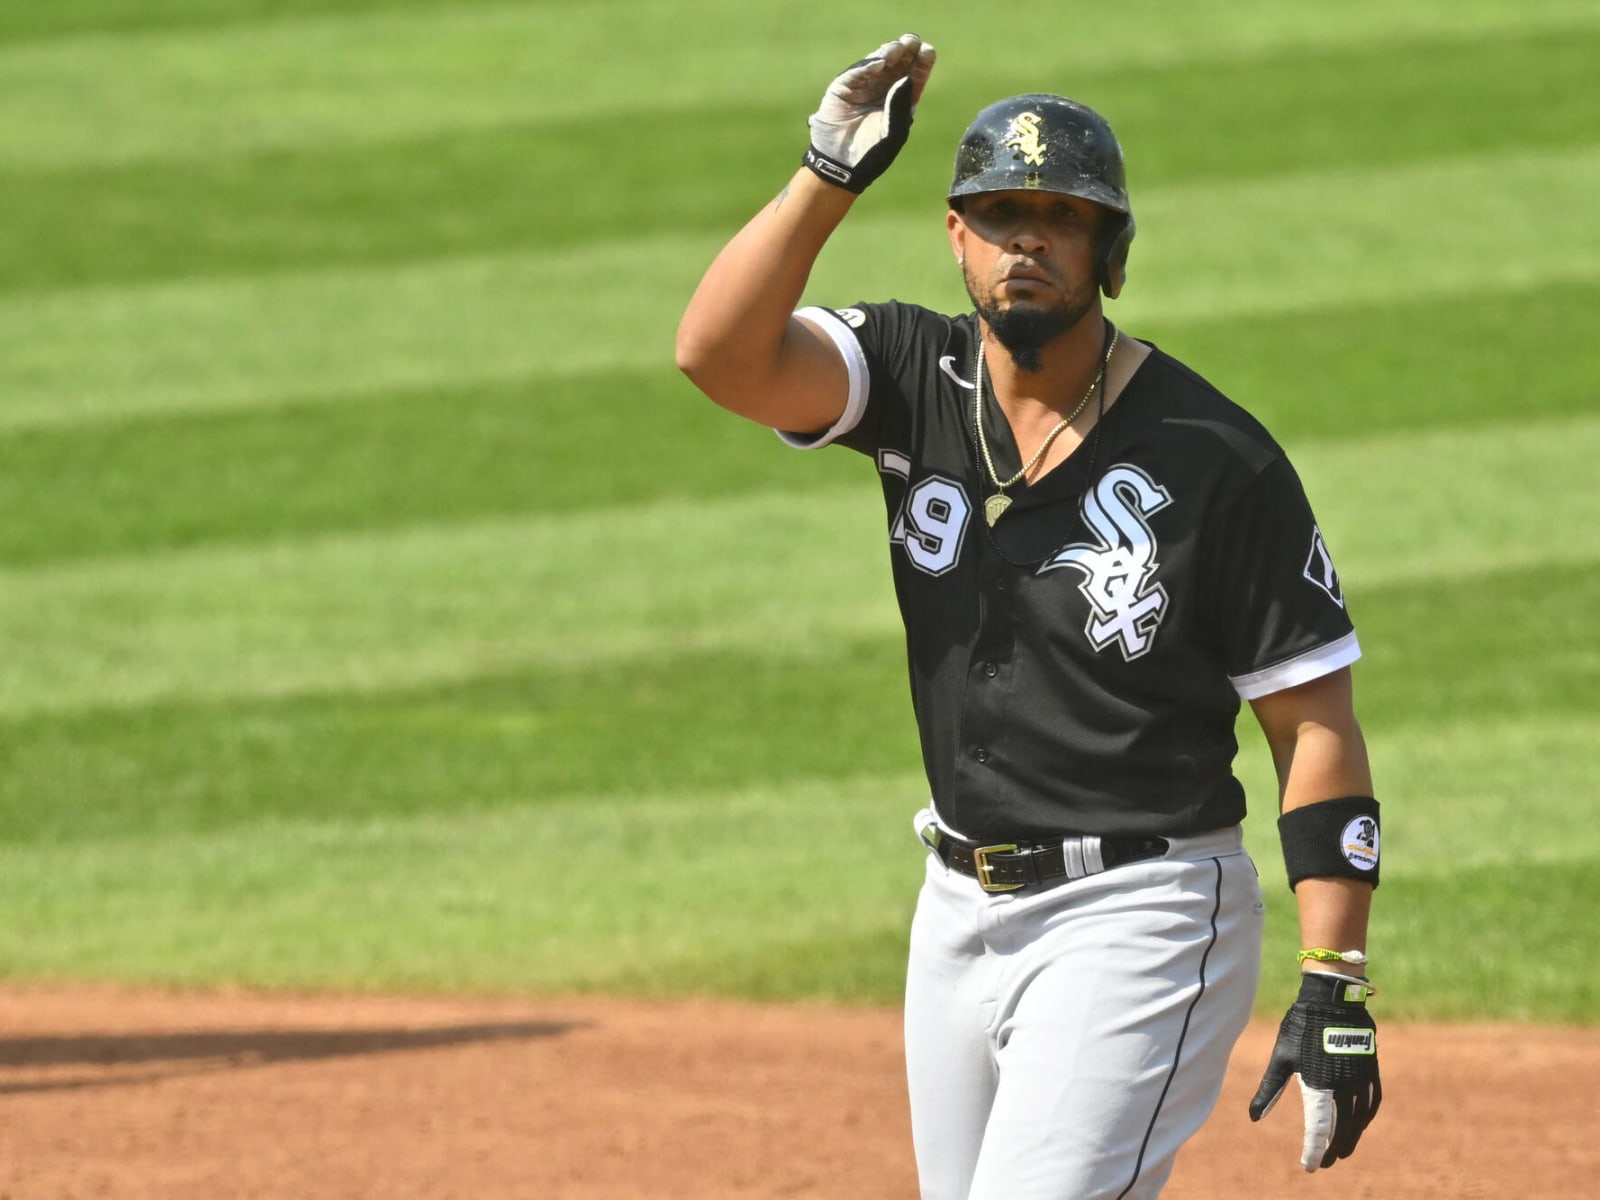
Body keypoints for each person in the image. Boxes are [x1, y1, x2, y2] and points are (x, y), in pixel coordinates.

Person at [676, 33, 1382, 1200]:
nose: (1026, 242)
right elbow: (718, 356)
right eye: (999, 214)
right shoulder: (910, 374)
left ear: (1110, 255)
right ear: (956, 237)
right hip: (953, 911)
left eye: (1061, 218)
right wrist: (828, 173)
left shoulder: (1218, 460)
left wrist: (1334, 979)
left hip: (1144, 913)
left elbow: (1315, 728)